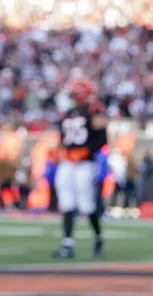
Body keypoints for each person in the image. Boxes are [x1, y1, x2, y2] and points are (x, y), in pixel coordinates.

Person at [52, 78, 109, 259]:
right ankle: (67, 243)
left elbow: (102, 139)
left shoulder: (94, 110)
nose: (74, 97)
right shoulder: (68, 113)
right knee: (66, 201)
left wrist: (86, 151)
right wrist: (62, 151)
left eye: (76, 93)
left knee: (86, 204)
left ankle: (98, 237)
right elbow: (63, 137)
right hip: (68, 161)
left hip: (85, 163)